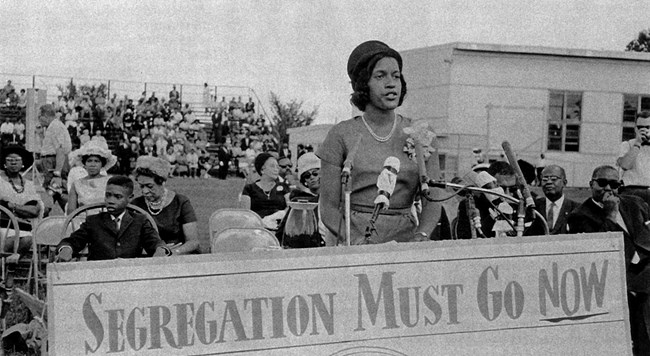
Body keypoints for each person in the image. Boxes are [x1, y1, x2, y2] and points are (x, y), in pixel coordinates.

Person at [317, 40, 441, 245]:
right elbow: (328, 208)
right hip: (352, 241)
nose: (391, 83)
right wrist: (355, 241)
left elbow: (433, 200)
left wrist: (422, 236)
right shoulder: (340, 134)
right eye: (380, 76)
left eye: (396, 76)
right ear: (363, 83)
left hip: (406, 243)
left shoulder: (422, 134)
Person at [567, 165, 650, 353]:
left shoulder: (635, 203)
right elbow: (603, 252)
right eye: (602, 183)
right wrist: (610, 215)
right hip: (616, 276)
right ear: (591, 184)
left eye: (613, 184)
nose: (607, 188)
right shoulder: (580, 215)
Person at [55, 175, 171, 261]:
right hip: (99, 276)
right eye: (108, 195)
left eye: (117, 197)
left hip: (130, 275)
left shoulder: (140, 221)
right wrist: (67, 249)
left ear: (129, 198)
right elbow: (73, 240)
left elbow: (154, 241)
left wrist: (160, 249)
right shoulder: (94, 221)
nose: (110, 200)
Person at [130, 156, 201, 255]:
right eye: (141, 186)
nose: (144, 191)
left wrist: (172, 252)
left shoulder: (181, 202)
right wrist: (155, 252)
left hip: (179, 257)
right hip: (148, 258)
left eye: (150, 186)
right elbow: (129, 243)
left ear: (162, 182)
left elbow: (193, 242)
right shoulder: (135, 205)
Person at [0, 145, 44, 254]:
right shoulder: (0, 181)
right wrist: (22, 209)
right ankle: (5, 264)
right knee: (10, 241)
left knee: (27, 240)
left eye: (17, 160)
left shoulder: (29, 185)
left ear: (22, 163)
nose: (13, 163)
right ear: (4, 163)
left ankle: (11, 264)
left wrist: (11, 206)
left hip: (24, 226)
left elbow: (34, 210)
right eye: (10, 160)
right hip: (3, 226)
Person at [276, 152, 326, 248]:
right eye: (307, 176)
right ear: (304, 181)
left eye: (315, 173)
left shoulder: (332, 198)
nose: (312, 177)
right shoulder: (299, 201)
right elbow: (282, 233)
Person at [66, 140, 117, 214]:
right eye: (89, 161)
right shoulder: (77, 184)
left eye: (96, 161)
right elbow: (71, 212)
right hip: (83, 222)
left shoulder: (110, 181)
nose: (92, 165)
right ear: (84, 163)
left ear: (102, 164)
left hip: (105, 221)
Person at [38, 104, 72, 206]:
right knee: (54, 193)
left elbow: (60, 150)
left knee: (57, 192)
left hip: (53, 164)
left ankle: (73, 215)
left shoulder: (56, 126)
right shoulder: (51, 127)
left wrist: (57, 173)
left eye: (39, 116)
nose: (38, 119)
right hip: (50, 163)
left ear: (45, 116)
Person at [241, 152, 290, 219]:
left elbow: (290, 207)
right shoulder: (249, 188)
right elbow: (245, 214)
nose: (276, 169)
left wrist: (277, 216)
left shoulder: (284, 187)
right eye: (272, 166)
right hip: (257, 226)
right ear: (262, 170)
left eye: (277, 166)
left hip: (279, 226)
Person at [534, 164, 579, 234]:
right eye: (545, 179)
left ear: (564, 183)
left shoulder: (576, 209)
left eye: (554, 179)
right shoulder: (533, 207)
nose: (549, 182)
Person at [617, 111, 650, 207]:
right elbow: (625, 165)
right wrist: (638, 143)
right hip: (631, 191)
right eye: (640, 127)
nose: (644, 130)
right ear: (635, 129)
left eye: (648, 127)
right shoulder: (626, 145)